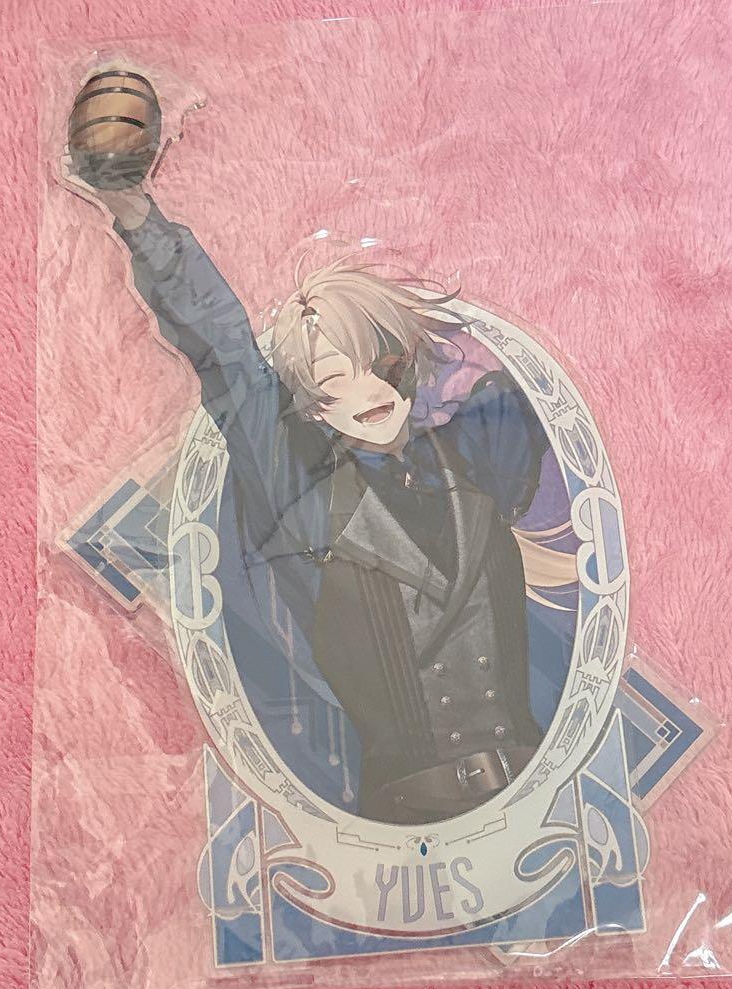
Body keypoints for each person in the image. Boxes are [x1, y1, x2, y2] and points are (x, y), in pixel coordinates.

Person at [72, 178, 576, 824]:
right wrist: (139, 216)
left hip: (537, 800)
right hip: (404, 825)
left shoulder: (477, 455)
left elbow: (551, 372)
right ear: (311, 404)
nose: (369, 391)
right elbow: (226, 355)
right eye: (336, 378)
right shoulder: (300, 493)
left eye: (382, 366)